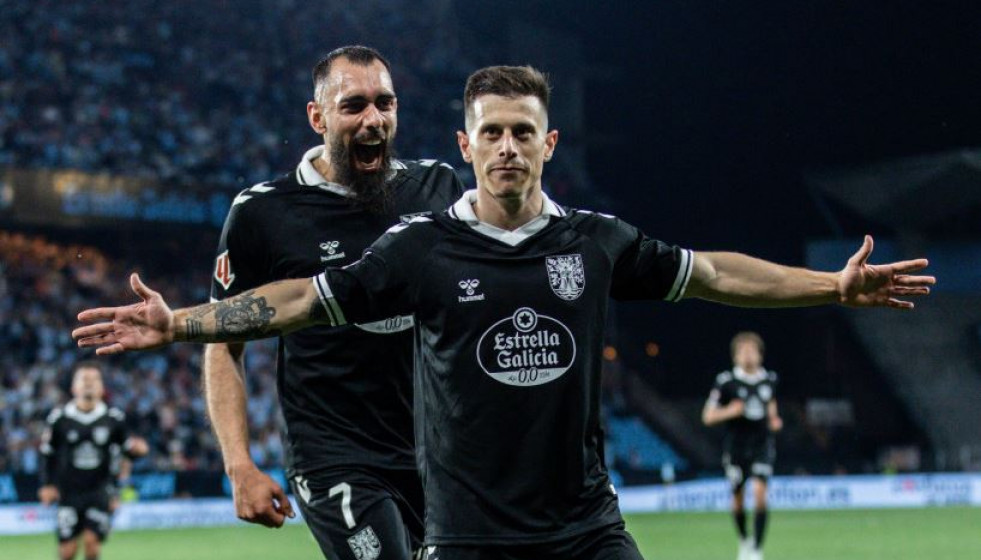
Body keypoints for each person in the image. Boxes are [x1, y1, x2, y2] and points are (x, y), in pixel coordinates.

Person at [73, 65, 935, 560]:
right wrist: (182, 322)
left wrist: (829, 287)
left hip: (585, 524)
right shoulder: (417, 247)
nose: (508, 146)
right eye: (491, 132)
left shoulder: (595, 241)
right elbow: (302, 302)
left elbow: (714, 275)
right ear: (464, 145)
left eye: (524, 131)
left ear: (548, 143)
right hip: (463, 528)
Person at [203, 45, 463, 560]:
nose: (374, 120)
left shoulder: (437, 188)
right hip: (333, 453)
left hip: (435, 453)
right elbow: (222, 342)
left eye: (385, 104)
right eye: (354, 106)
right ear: (316, 117)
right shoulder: (263, 213)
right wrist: (239, 464)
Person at [38, 362, 149, 560]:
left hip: (100, 491)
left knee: (91, 544)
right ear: (74, 387)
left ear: (101, 387)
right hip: (68, 492)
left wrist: (138, 452)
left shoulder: (113, 419)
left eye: (94, 379)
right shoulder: (59, 419)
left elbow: (126, 451)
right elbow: (48, 453)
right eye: (83, 379)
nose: (89, 383)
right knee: (67, 551)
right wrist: (47, 485)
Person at [702, 332, 782, 560]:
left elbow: (771, 407)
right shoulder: (726, 382)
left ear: (760, 355)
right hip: (736, 447)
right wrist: (730, 411)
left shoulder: (770, 380)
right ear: (735, 356)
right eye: (743, 351)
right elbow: (707, 417)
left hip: (762, 445)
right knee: (737, 498)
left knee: (759, 493)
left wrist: (774, 420)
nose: (748, 355)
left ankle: (756, 548)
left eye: (752, 351)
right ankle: (744, 539)